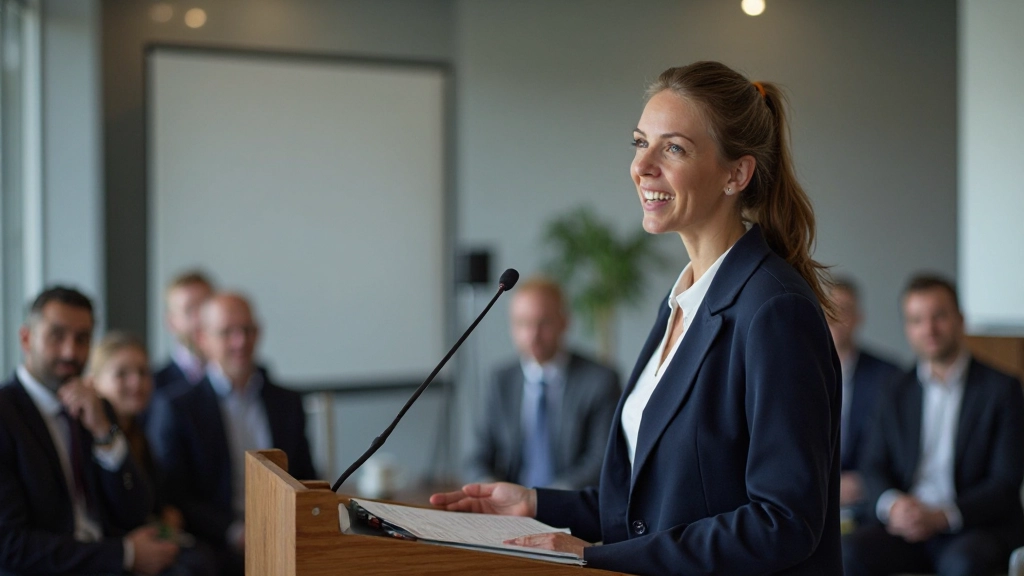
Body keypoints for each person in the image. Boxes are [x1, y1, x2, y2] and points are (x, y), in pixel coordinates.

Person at [432, 61, 842, 574]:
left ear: (736, 174)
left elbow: (783, 522)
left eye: (673, 148)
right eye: (639, 142)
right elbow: (658, 508)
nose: (641, 166)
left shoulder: (774, 309)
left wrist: (596, 556)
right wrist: (537, 505)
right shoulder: (681, 301)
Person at [842, 274, 1024, 576]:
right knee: (849, 552)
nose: (929, 329)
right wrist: (894, 506)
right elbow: (872, 464)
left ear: (960, 319)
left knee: (963, 564)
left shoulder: (1002, 389)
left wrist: (942, 516)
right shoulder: (894, 389)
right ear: (907, 329)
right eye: (916, 320)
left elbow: (1005, 483)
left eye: (939, 316)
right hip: (906, 525)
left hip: (971, 525)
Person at [0, 286, 178, 575]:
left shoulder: (97, 409)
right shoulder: (5, 415)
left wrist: (105, 434)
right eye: (57, 336)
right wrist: (123, 555)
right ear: (26, 338)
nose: (70, 351)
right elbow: (11, 547)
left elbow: (135, 511)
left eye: (82, 339)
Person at [148, 292, 316, 576]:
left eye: (247, 330)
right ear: (203, 338)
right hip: (216, 548)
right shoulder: (178, 408)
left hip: (287, 534)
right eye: (227, 333)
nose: (240, 342)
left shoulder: (287, 403)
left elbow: (306, 475)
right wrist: (235, 532)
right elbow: (177, 495)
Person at [465, 276, 621, 490]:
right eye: (523, 324)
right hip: (509, 512)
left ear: (564, 322)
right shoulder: (501, 381)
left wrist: (543, 501)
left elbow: (600, 460)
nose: (533, 335)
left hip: (571, 507)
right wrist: (492, 490)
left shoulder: (599, 381)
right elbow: (477, 457)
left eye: (543, 323)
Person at [89, 331, 217, 576]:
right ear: (95, 381)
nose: (136, 383)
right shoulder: (91, 439)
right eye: (122, 374)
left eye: (142, 372)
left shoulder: (140, 432)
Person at [827, 277, 901, 512]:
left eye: (844, 310)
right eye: (827, 309)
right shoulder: (792, 375)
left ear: (859, 317)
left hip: (868, 502)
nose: (834, 317)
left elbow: (897, 447)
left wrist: (865, 482)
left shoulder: (889, 376)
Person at [153, 271, 214, 395]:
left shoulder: (249, 378)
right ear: (171, 321)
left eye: (206, 307)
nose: (200, 318)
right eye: (189, 310)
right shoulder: (154, 386)